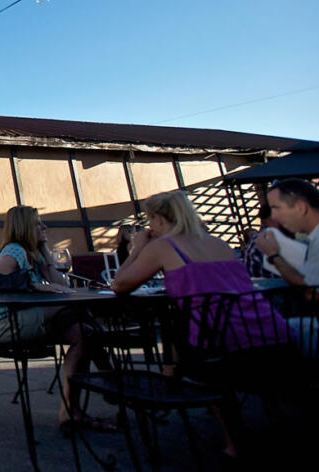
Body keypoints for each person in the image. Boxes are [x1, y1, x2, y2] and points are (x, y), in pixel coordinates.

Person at [112, 189, 287, 459]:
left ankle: (231, 440)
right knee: (190, 333)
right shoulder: (218, 243)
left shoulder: (164, 246)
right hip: (271, 333)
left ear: (159, 219)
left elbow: (119, 284)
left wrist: (136, 250)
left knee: (195, 344)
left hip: (223, 347)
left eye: (150, 219)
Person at [0, 205, 104, 433]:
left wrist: (45, 249)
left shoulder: (32, 253)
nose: (44, 226)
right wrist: (31, 285)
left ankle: (71, 412)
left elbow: (63, 284)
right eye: (38, 224)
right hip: (2, 324)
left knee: (83, 332)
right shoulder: (14, 251)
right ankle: (109, 376)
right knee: (75, 309)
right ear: (25, 227)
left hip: (24, 319)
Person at [254, 178, 319, 287]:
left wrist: (273, 255)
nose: (274, 216)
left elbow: (313, 293)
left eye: (277, 208)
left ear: (300, 208)